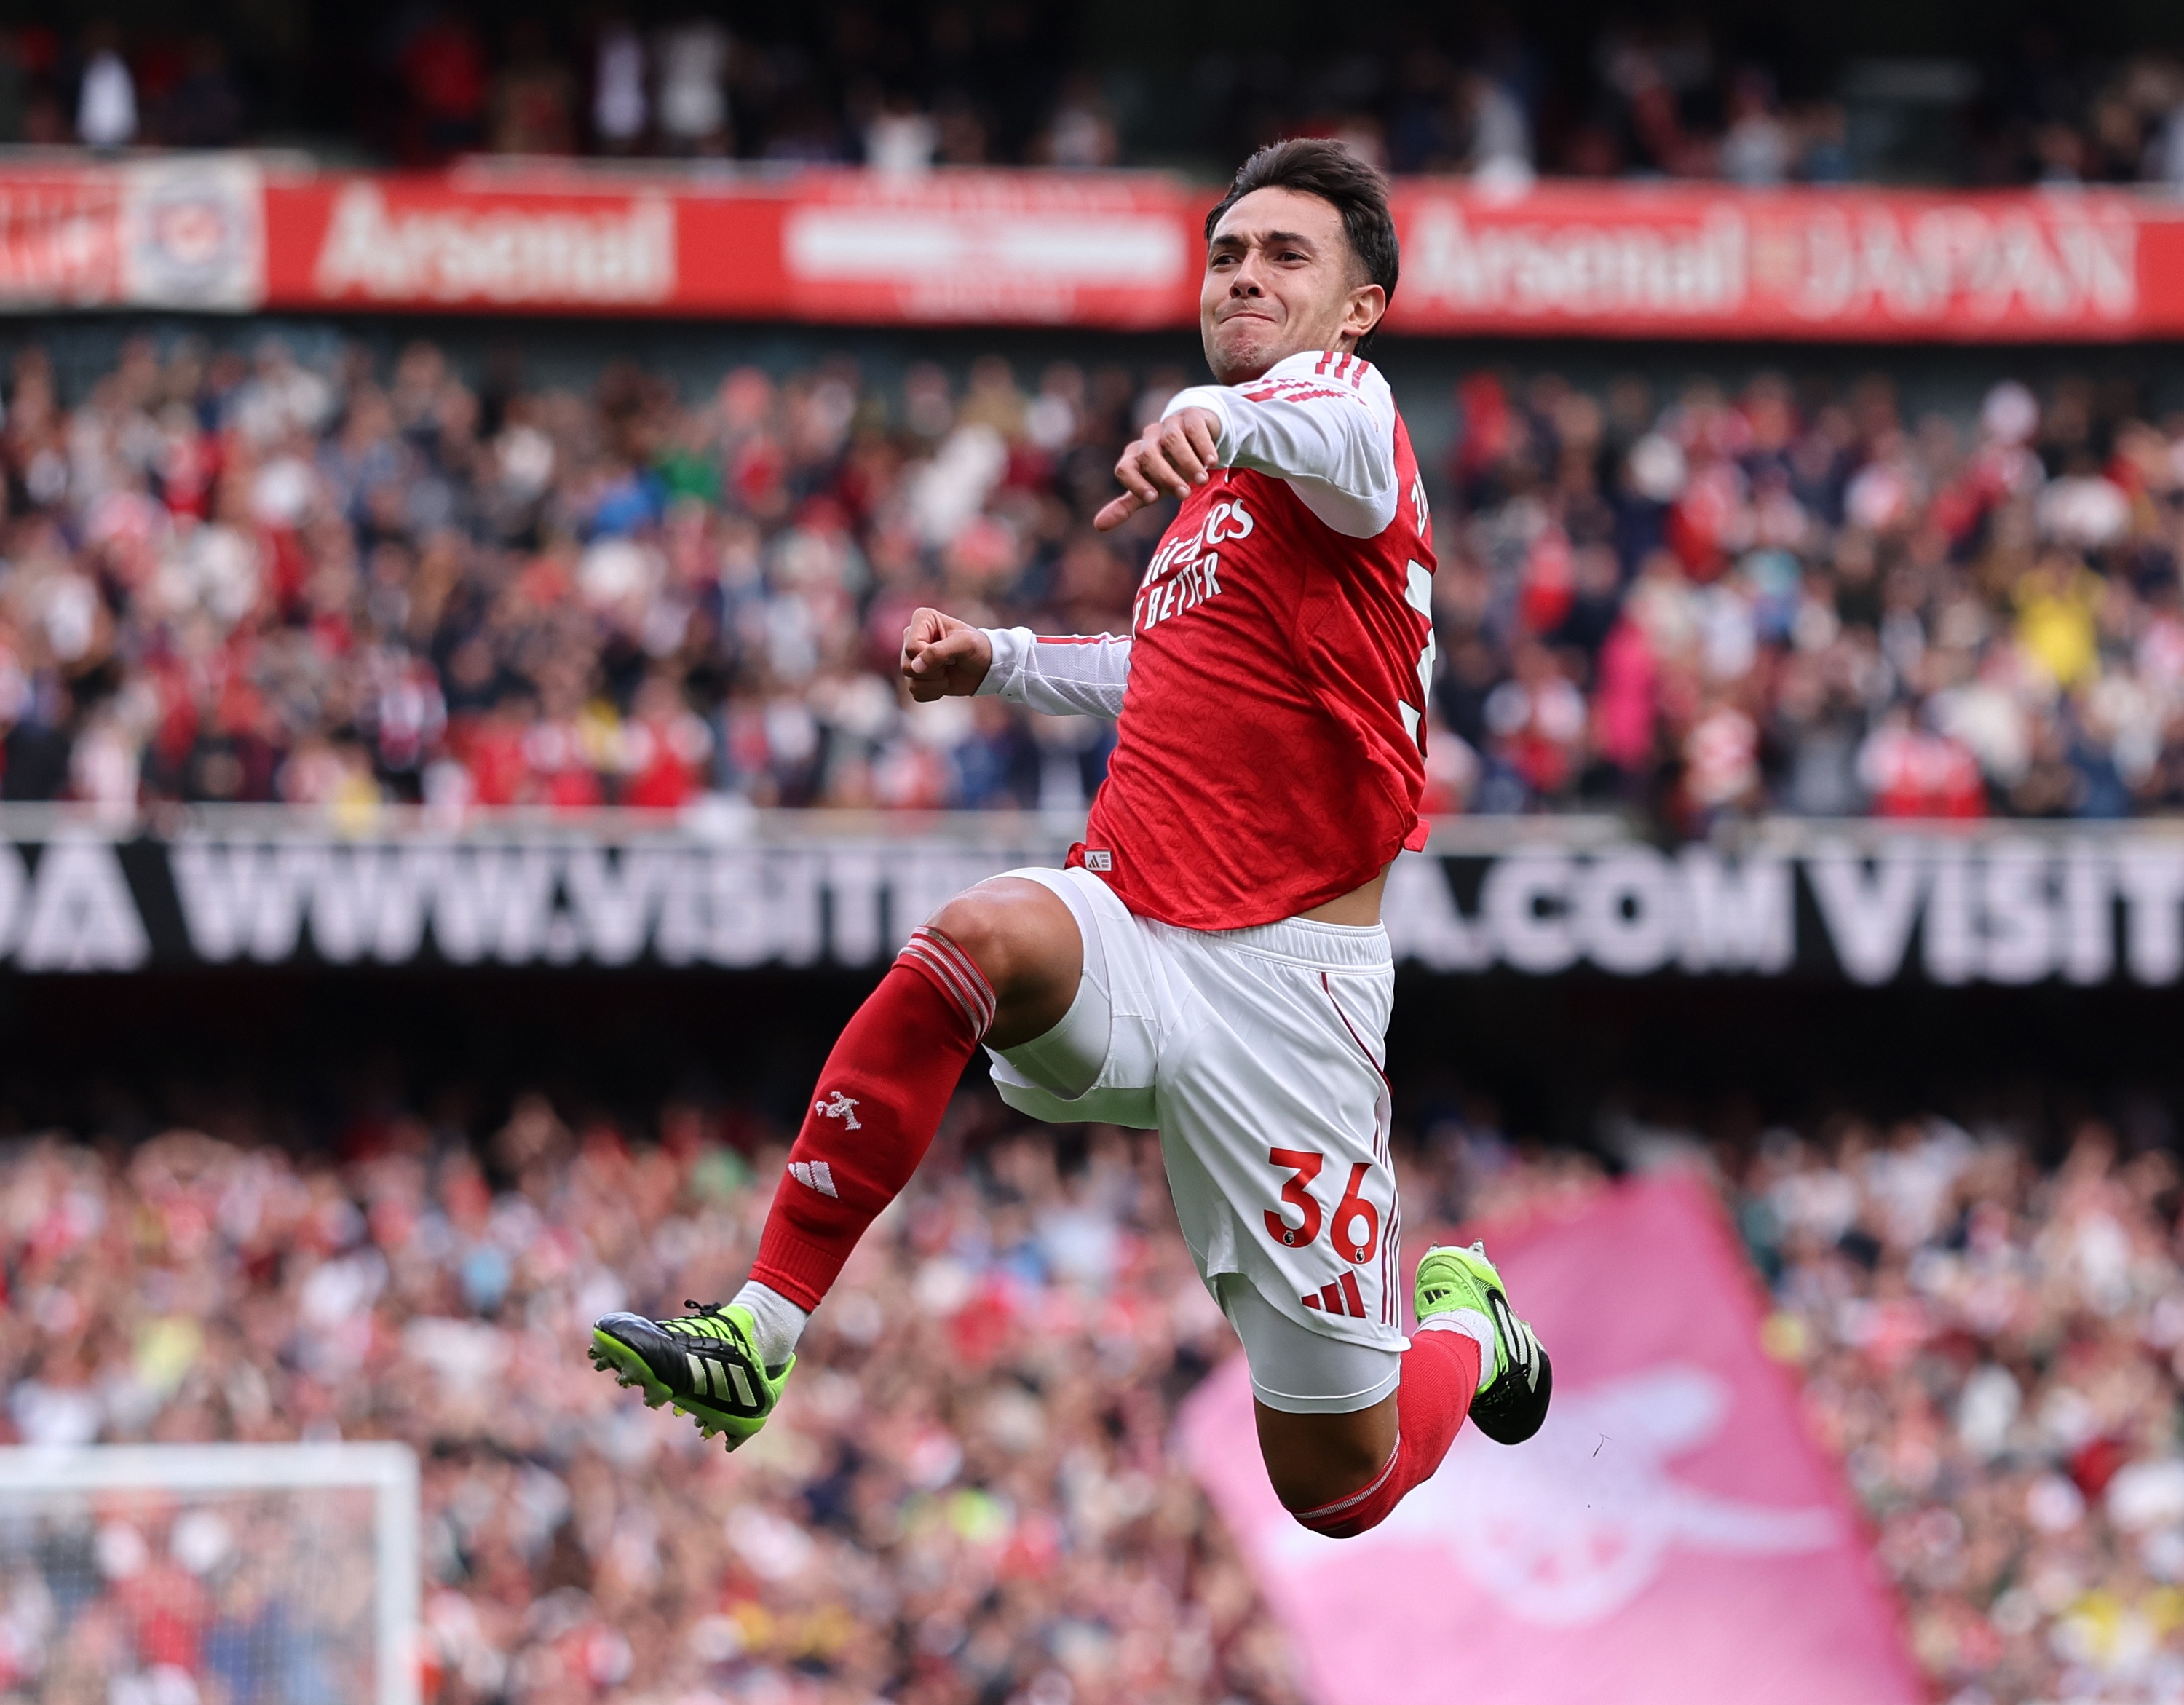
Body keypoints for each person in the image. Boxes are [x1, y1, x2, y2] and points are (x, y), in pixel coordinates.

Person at [590, 138, 1552, 1538]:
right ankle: (760, 1327)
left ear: (1360, 307)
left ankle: (1465, 1319)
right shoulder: (1221, 505)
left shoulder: (1352, 421)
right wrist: (1001, 658)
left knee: (1337, 1487)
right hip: (1142, 930)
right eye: (1226, 255)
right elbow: (1167, 670)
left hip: (1294, 996)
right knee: (978, 936)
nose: (1244, 276)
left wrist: (1205, 417)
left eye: (1286, 255)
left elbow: (1296, 423)